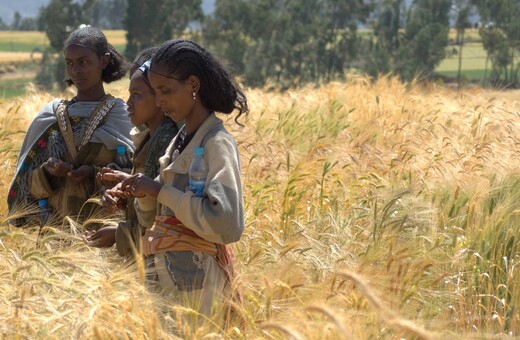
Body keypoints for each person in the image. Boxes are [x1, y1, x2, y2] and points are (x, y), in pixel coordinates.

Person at [112, 39, 248, 317]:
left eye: (166, 91)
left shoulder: (216, 143)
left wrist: (160, 191)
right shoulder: (179, 141)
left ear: (193, 85)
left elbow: (227, 224)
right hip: (166, 287)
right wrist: (145, 195)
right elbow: (154, 222)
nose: (159, 101)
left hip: (199, 292)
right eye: (156, 91)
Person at [7, 26, 134, 227]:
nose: (76, 70)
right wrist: (48, 172)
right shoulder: (51, 115)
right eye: (70, 63)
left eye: (83, 62)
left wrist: (93, 173)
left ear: (104, 60)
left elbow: (137, 175)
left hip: (105, 236)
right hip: (56, 236)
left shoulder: (121, 114)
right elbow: (26, 186)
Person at [83, 47, 180, 255]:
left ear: (159, 97)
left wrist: (118, 234)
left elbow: (165, 220)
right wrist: (125, 190)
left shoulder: (167, 144)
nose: (127, 103)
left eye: (136, 94)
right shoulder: (150, 138)